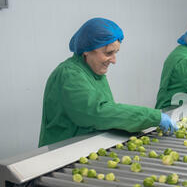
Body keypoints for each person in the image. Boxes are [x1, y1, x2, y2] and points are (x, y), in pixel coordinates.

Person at [39, 18, 177, 147]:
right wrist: (153, 117)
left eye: (116, 53)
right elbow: (98, 113)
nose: (114, 60)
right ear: (87, 50)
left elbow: (108, 109)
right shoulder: (69, 75)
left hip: (85, 146)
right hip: (63, 153)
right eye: (108, 53)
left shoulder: (94, 71)